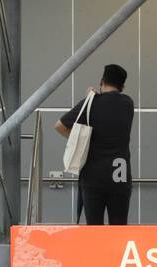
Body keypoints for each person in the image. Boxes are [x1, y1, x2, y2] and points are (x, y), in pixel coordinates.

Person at [55, 63, 134, 225]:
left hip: (93, 176)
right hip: (120, 175)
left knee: (94, 229)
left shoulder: (91, 103)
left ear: (101, 81)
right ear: (122, 86)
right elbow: (111, 104)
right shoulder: (128, 104)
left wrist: (89, 99)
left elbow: (60, 126)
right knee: (119, 228)